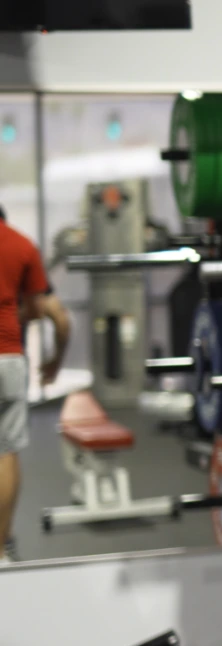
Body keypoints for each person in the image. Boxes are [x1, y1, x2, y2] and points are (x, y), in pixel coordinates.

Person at [0, 205, 69, 567]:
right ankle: (1, 549)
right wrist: (54, 362)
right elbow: (57, 317)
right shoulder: (22, 246)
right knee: (6, 450)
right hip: (9, 359)